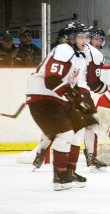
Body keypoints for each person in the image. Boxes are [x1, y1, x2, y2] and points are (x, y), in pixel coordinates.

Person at [26, 20, 89, 191]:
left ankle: (69, 170)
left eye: (86, 37)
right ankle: (60, 177)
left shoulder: (79, 57)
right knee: (65, 132)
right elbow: (51, 79)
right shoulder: (64, 49)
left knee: (78, 127)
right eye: (82, 37)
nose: (85, 40)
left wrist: (81, 98)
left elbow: (76, 83)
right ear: (71, 38)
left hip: (57, 98)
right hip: (43, 97)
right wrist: (70, 93)